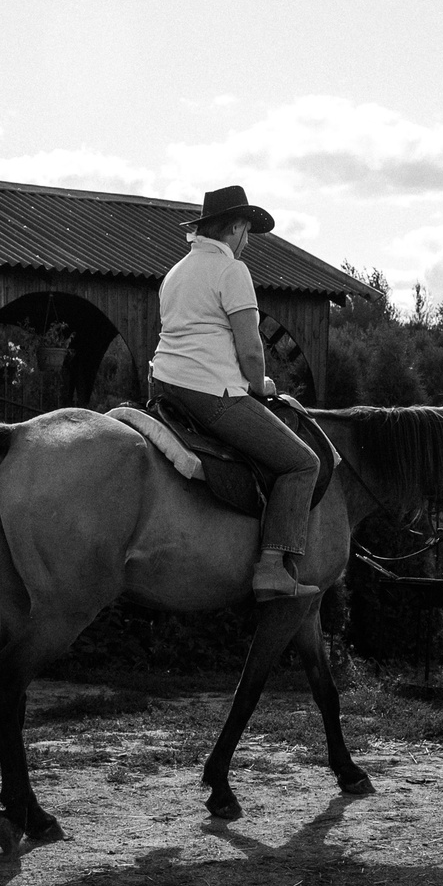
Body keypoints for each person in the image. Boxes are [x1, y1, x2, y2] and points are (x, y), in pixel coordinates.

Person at [148, 186, 321, 601]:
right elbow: (250, 348)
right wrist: (259, 387)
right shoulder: (232, 272)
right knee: (303, 463)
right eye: (247, 232)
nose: (247, 243)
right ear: (238, 227)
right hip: (212, 394)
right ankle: (272, 568)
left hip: (165, 386)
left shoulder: (176, 272)